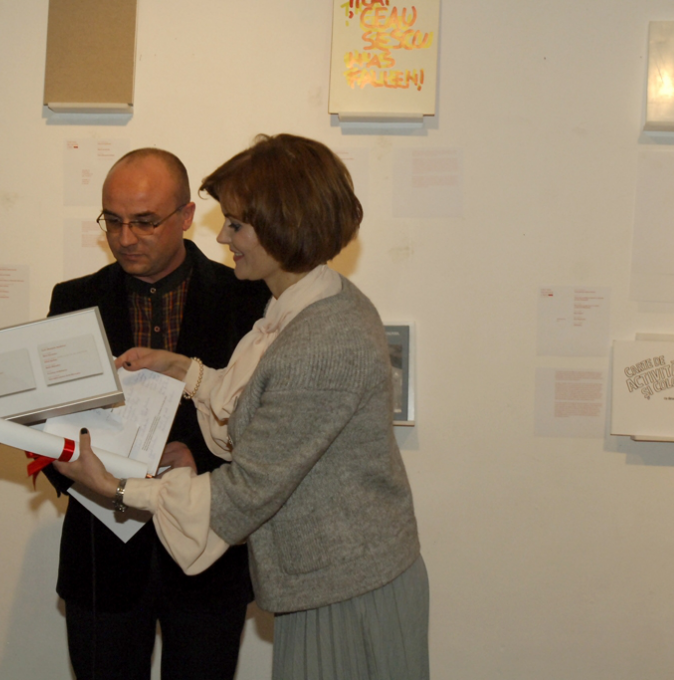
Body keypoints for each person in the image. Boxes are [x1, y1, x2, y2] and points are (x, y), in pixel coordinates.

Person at [55, 134, 429, 680]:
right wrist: (185, 370)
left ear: (282, 225)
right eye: (113, 220)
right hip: (322, 574)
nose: (222, 236)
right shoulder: (297, 310)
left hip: (342, 579)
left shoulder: (318, 339)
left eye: (235, 223)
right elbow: (250, 402)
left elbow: (247, 490)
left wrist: (116, 489)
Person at [42, 148, 269, 680]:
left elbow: (267, 426)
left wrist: (200, 460)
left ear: (187, 216)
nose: (125, 237)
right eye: (113, 221)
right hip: (102, 558)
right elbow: (50, 424)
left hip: (210, 555)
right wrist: (81, 468)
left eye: (145, 222)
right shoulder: (74, 300)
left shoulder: (246, 299)